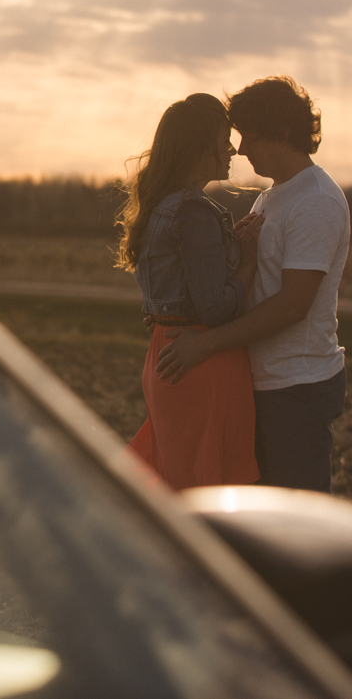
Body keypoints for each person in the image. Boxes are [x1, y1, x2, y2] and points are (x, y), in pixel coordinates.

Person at [155, 77, 349, 494]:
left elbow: (292, 305)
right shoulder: (273, 197)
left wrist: (206, 343)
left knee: (297, 529)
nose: (240, 149)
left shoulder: (316, 201)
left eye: (250, 137)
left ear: (282, 133)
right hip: (261, 384)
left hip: (296, 389)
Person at [117, 93, 262, 490]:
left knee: (172, 481)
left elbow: (170, 290)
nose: (231, 149)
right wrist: (248, 262)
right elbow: (214, 308)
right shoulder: (194, 211)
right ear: (199, 150)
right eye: (223, 140)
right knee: (203, 493)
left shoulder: (159, 204)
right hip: (199, 361)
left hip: (165, 353)